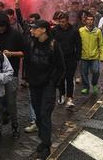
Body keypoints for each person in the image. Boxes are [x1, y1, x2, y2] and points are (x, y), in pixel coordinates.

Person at [24, 20, 65, 160]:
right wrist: (27, 78)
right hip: (34, 84)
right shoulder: (31, 43)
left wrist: (53, 83)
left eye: (34, 28)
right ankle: (43, 139)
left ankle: (46, 146)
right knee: (37, 113)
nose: (32, 31)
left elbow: (61, 67)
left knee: (45, 113)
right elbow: (27, 62)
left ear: (43, 30)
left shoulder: (53, 45)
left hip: (48, 85)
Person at [0, 12, 24, 138]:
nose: (1, 28)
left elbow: (23, 52)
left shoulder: (15, 34)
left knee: (11, 103)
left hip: (11, 73)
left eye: (3, 26)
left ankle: (15, 126)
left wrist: (11, 53)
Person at [52, 12, 81, 108]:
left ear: (67, 21)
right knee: (60, 78)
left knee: (69, 78)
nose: (61, 23)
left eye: (63, 21)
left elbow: (78, 44)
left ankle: (70, 98)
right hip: (58, 58)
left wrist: (77, 57)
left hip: (70, 58)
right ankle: (62, 94)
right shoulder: (55, 30)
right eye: (59, 22)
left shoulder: (74, 31)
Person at [79, 14, 103, 94]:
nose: (90, 21)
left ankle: (94, 84)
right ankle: (86, 87)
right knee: (84, 73)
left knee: (96, 72)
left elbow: (101, 44)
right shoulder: (81, 31)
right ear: (85, 21)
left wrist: (102, 56)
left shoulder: (98, 31)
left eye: (91, 20)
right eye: (88, 19)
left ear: (94, 21)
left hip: (95, 56)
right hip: (83, 56)